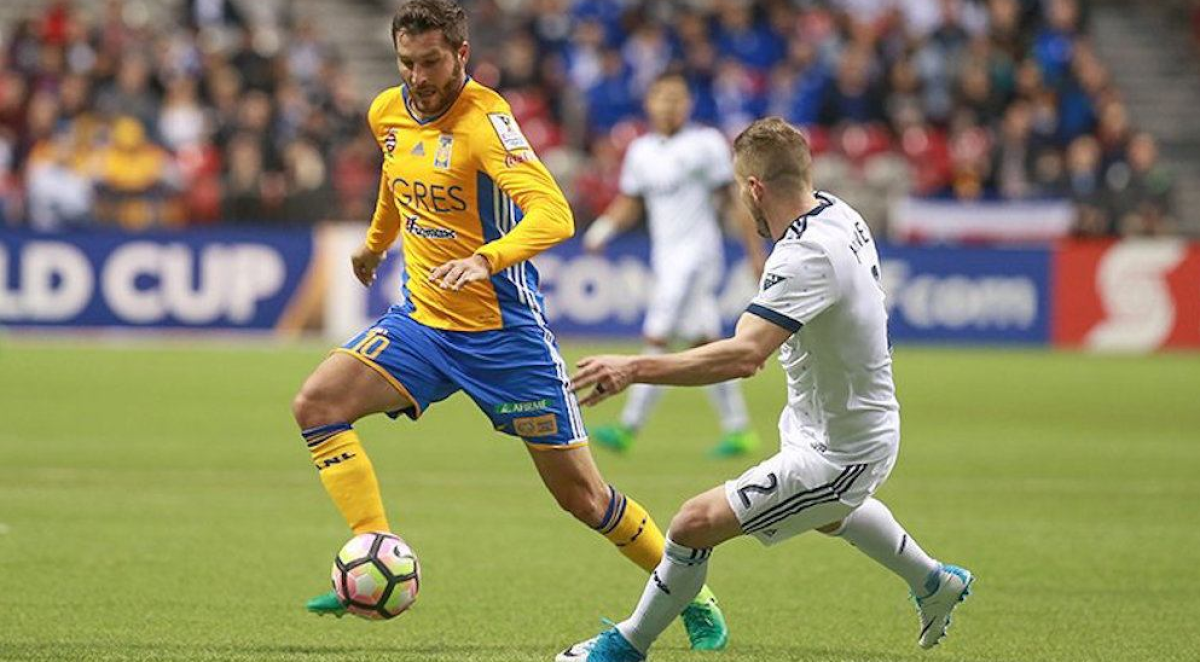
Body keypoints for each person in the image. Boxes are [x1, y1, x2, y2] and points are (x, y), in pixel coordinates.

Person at [290, 0, 729, 649]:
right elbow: (395, 178)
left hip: (505, 339)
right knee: (316, 403)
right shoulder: (386, 110)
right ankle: (371, 547)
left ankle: (691, 592)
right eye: (407, 62)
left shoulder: (487, 121)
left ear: (462, 55)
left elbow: (555, 214)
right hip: (423, 325)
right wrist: (375, 244)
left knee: (584, 498)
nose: (417, 76)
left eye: (432, 61)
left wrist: (484, 258)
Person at [558, 117, 974, 662]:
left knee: (692, 524)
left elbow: (745, 354)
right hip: (828, 427)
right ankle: (934, 582)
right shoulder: (837, 211)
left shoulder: (806, 255)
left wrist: (634, 368)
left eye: (738, 188)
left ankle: (626, 645)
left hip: (841, 450)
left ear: (753, 188)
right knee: (831, 515)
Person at [583, 72, 767, 458]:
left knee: (658, 333)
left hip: (698, 255)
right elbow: (631, 201)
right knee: (703, 341)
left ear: (689, 103)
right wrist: (602, 229)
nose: (669, 105)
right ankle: (738, 430)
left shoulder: (705, 145)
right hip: (665, 256)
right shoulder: (641, 151)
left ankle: (628, 427)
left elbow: (734, 201)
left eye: (677, 98)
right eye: (662, 97)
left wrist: (754, 252)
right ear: (649, 102)